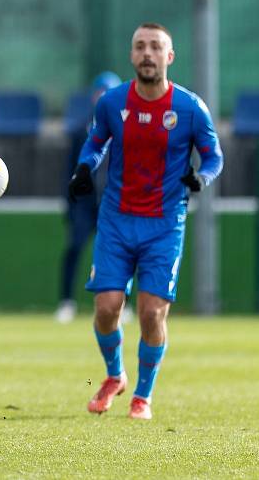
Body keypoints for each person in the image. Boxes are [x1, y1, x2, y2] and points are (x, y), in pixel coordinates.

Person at [68, 22, 223, 420]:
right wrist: (85, 168)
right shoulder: (111, 102)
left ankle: (142, 395)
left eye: (156, 47)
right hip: (117, 220)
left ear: (169, 57)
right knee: (106, 308)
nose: (148, 53)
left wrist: (201, 178)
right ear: (132, 56)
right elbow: (95, 141)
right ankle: (114, 374)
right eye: (140, 46)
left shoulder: (190, 108)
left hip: (164, 224)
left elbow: (214, 156)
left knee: (152, 313)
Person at [55, 71, 121, 324]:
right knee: (74, 248)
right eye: (100, 92)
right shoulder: (81, 131)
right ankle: (66, 302)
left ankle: (120, 304)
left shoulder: (126, 130)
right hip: (84, 203)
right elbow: (70, 171)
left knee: (118, 255)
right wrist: (70, 204)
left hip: (112, 203)